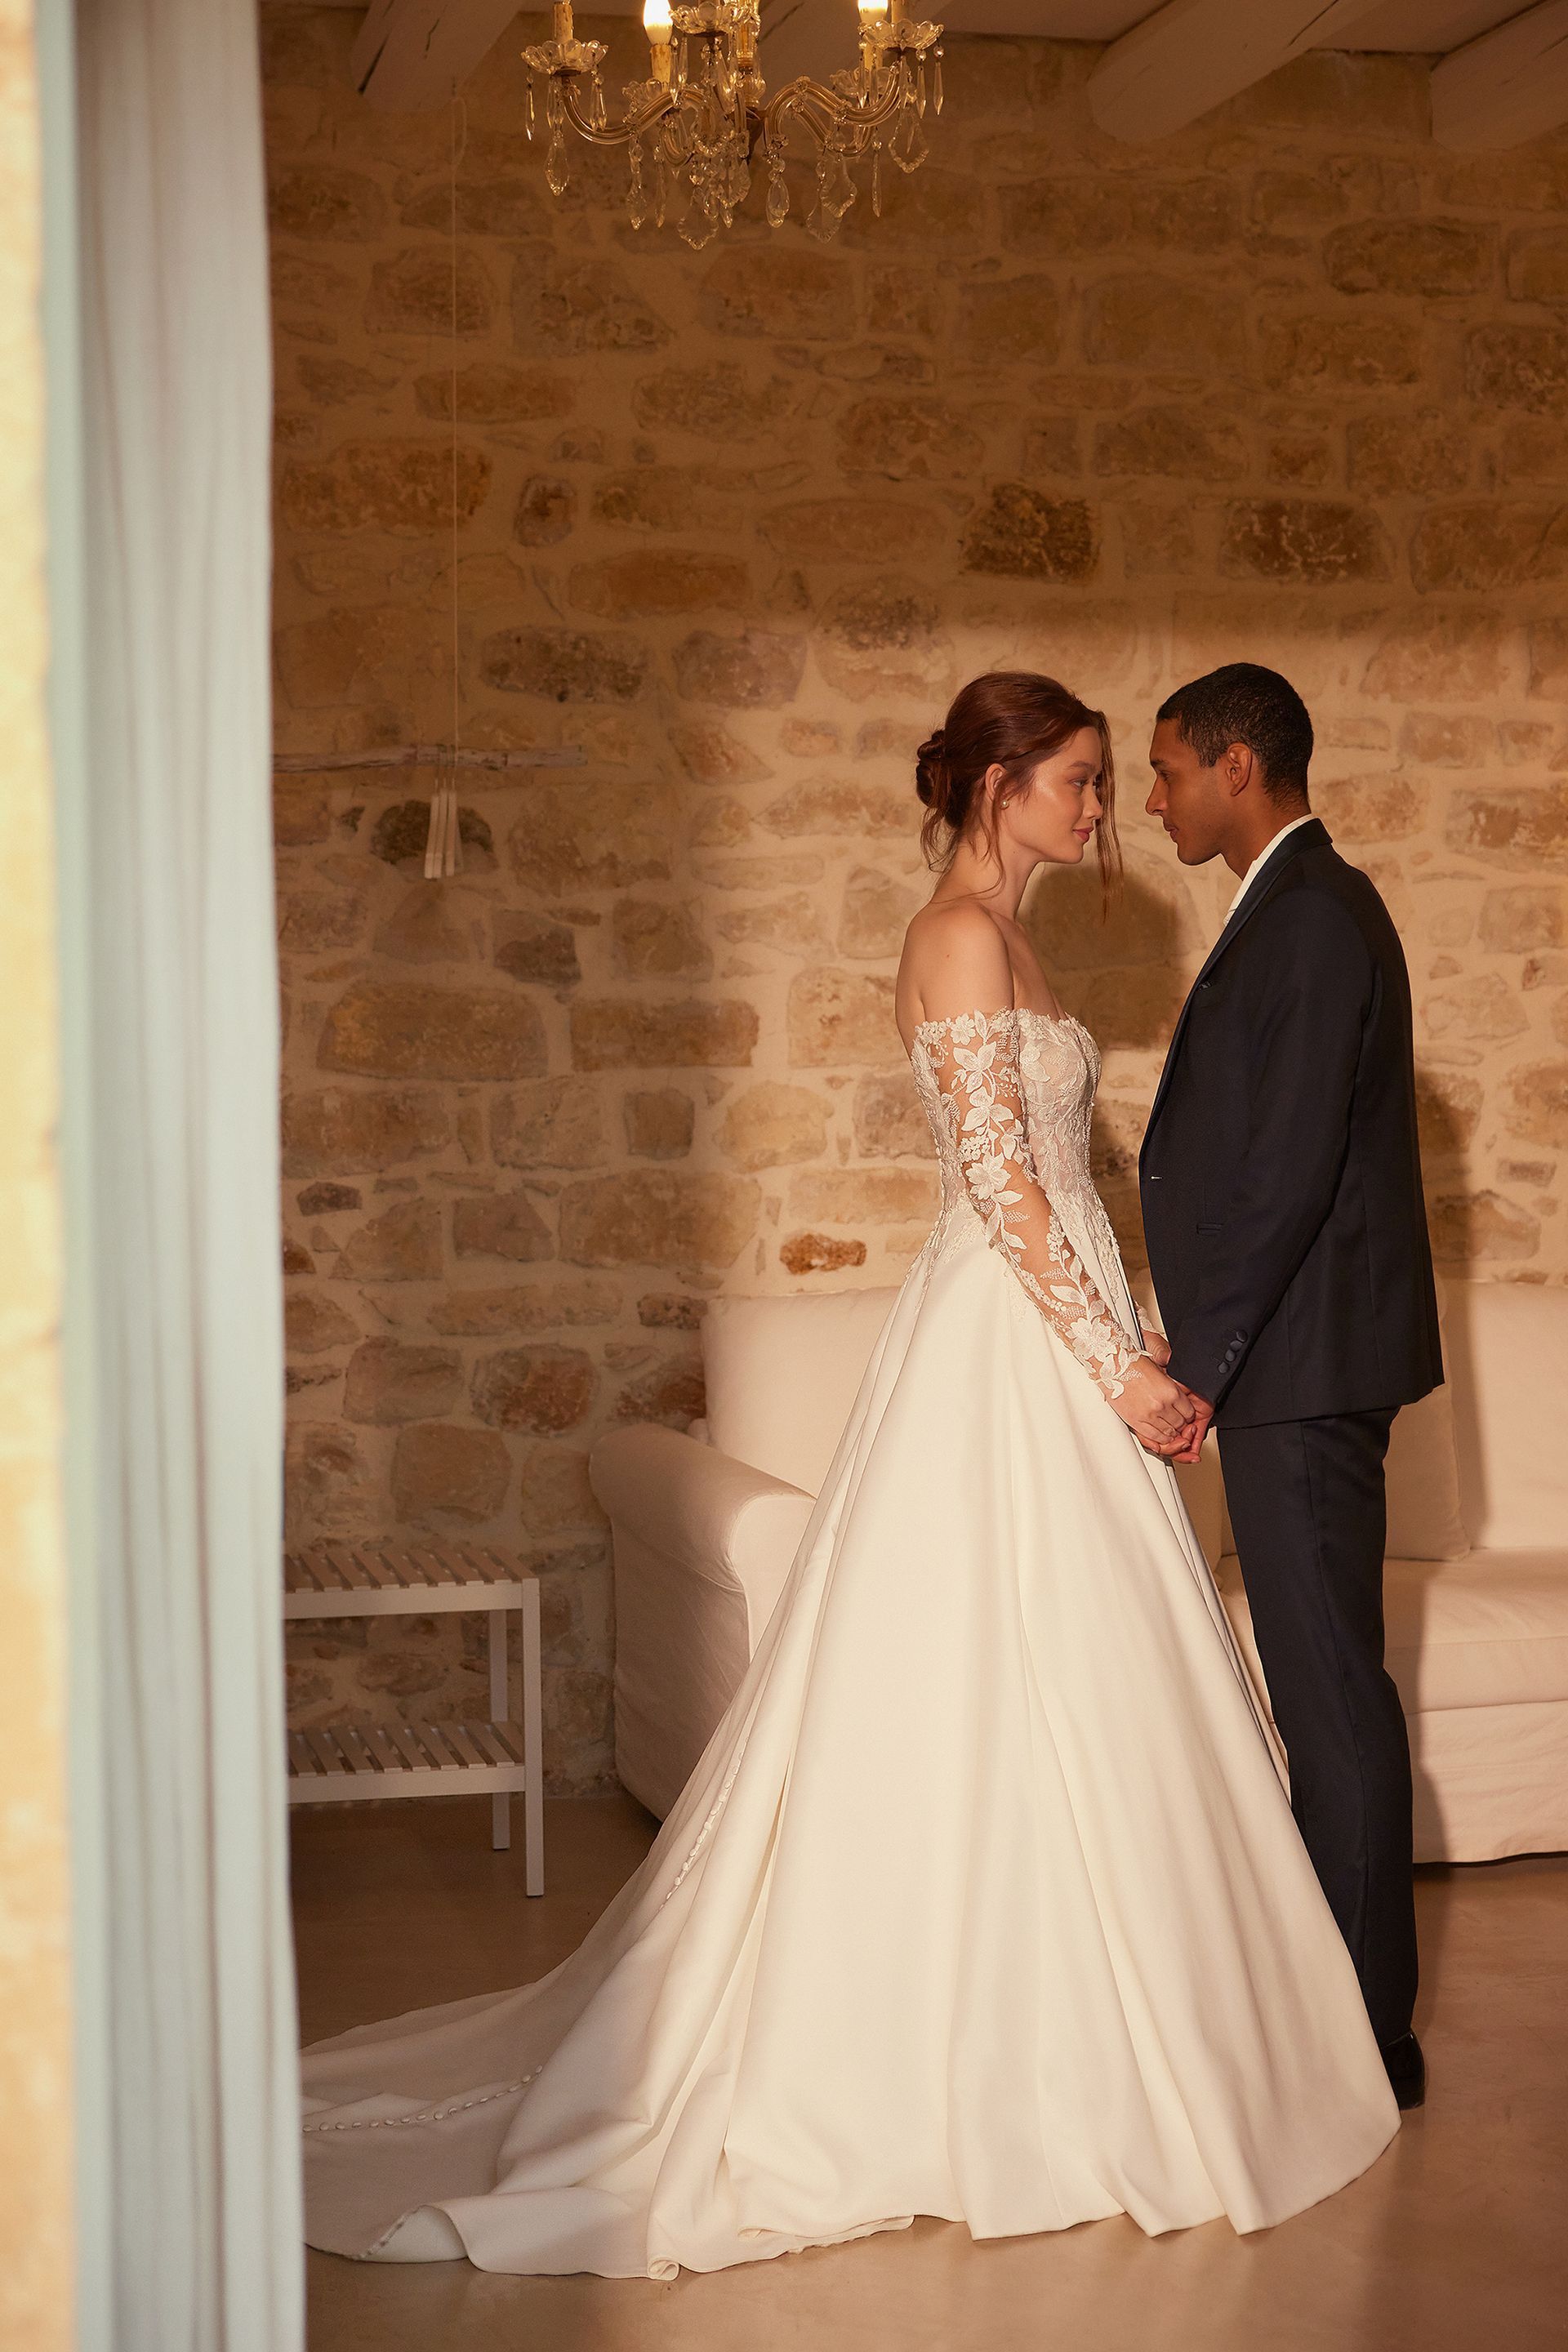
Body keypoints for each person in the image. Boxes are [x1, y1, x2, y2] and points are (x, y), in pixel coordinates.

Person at [300, 671, 1397, 2282]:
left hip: (1065, 1326)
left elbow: (1066, 1194)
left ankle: (1111, 2026)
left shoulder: (1020, 938)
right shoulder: (954, 939)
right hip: (1011, 1343)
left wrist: (1130, 1330)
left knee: (1091, 1679)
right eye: (1080, 780)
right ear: (997, 784)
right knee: (983, 1677)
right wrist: (1125, 1368)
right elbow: (1007, 1193)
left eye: (1109, 781)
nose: (1102, 810)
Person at [1142, 662, 1443, 2114]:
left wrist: (1203, 1362)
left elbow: (1290, 1168)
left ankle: (1370, 2039)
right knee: (1321, 1687)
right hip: (1296, 1361)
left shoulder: (1316, 915)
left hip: (1303, 1371)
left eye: (1168, 772)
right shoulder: (1295, 907)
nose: (1153, 800)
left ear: (1238, 767)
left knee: (1329, 1694)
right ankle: (1344, 2005)